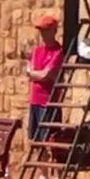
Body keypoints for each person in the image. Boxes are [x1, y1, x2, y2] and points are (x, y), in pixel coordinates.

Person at [26, 13, 65, 142]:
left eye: (46, 31)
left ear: (54, 31)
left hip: (48, 102)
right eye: (41, 31)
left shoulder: (58, 52)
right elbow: (30, 72)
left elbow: (45, 74)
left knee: (49, 140)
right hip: (35, 101)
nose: (43, 34)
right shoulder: (38, 51)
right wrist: (38, 74)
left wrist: (35, 74)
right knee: (35, 140)